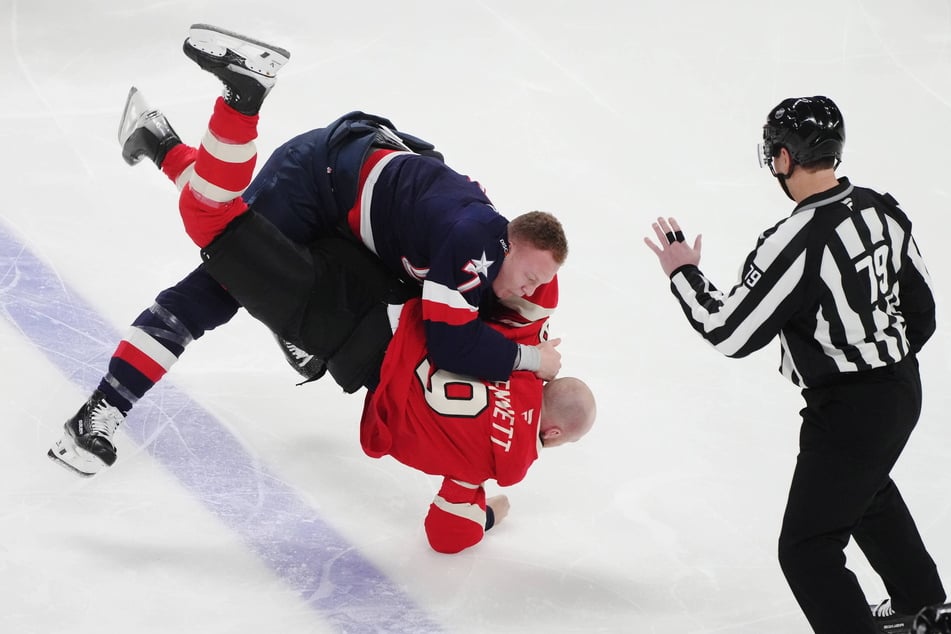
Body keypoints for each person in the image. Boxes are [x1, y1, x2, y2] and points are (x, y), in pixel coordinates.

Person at [48, 24, 567, 476]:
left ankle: (156, 139)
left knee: (238, 232)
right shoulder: (476, 245)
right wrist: (531, 356)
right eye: (530, 273)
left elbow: (513, 305)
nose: (532, 288)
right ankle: (241, 96)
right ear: (511, 241)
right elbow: (454, 344)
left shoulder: (492, 249)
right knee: (213, 283)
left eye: (539, 283)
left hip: (348, 206)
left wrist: (533, 345)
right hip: (315, 180)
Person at [644, 95, 945, 632]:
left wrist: (683, 273)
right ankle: (926, 610)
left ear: (782, 158)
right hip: (902, 389)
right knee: (867, 490)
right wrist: (883, 365)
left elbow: (730, 331)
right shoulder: (881, 208)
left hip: (849, 410)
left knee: (807, 549)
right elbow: (922, 309)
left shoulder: (796, 241)